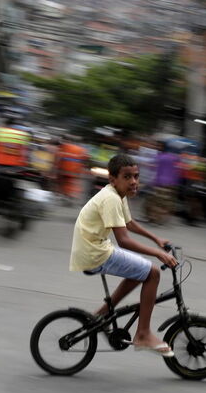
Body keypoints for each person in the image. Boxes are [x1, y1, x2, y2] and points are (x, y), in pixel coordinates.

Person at [70, 154, 178, 356]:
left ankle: (102, 315)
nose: (134, 181)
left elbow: (128, 223)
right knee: (153, 273)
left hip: (94, 248)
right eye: (127, 177)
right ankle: (143, 334)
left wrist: (156, 239)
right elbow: (124, 240)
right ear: (113, 179)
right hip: (94, 253)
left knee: (139, 270)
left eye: (136, 176)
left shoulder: (118, 194)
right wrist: (157, 253)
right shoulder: (111, 198)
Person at [146, 142, 182, 224]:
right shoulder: (175, 158)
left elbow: (151, 167)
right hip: (171, 184)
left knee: (156, 200)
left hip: (159, 182)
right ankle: (159, 218)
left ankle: (154, 217)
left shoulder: (160, 157)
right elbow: (179, 170)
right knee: (165, 201)